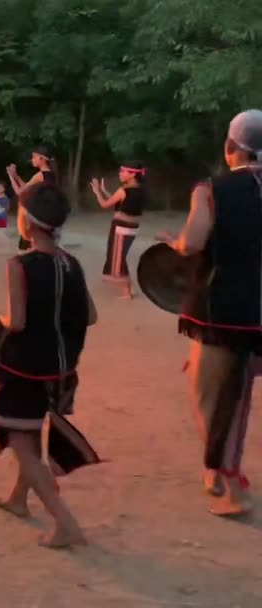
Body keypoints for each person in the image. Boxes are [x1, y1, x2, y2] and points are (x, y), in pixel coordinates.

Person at [158, 110, 262, 518]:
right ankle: (216, 469)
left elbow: (194, 241)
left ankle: (228, 481)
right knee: (238, 397)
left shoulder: (211, 189)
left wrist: (176, 242)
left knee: (216, 398)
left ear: (229, 148)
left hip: (225, 314)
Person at [0, 181, 98, 548]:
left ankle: (65, 523)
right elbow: (91, 315)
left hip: (24, 370)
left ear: (27, 223)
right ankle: (19, 500)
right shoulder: (71, 263)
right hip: (62, 370)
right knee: (31, 432)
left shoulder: (19, 265)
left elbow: (16, 323)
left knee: (20, 440)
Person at [91, 161, 147, 299]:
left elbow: (104, 204)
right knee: (121, 257)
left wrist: (97, 191)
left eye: (123, 171)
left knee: (117, 259)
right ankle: (129, 288)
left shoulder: (124, 190)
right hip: (132, 229)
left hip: (121, 229)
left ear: (133, 174)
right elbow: (121, 203)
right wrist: (104, 191)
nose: (120, 174)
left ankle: (127, 292)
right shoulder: (141, 189)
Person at [7, 146, 59, 252]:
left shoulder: (40, 176)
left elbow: (20, 192)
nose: (32, 160)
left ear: (42, 158)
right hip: (47, 216)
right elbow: (26, 187)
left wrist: (11, 176)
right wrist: (16, 176)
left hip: (35, 218)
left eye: (34, 157)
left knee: (25, 251)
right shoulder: (50, 175)